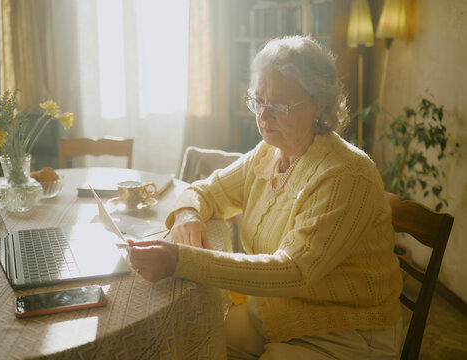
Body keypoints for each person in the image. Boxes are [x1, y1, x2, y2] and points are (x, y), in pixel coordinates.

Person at [127, 35, 403, 359]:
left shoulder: (346, 174)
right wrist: (188, 214)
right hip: (272, 314)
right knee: (182, 339)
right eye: (258, 101)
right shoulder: (268, 154)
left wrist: (180, 260)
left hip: (341, 333)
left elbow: (292, 271)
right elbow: (204, 191)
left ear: (320, 105)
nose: (263, 116)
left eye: (278, 106)